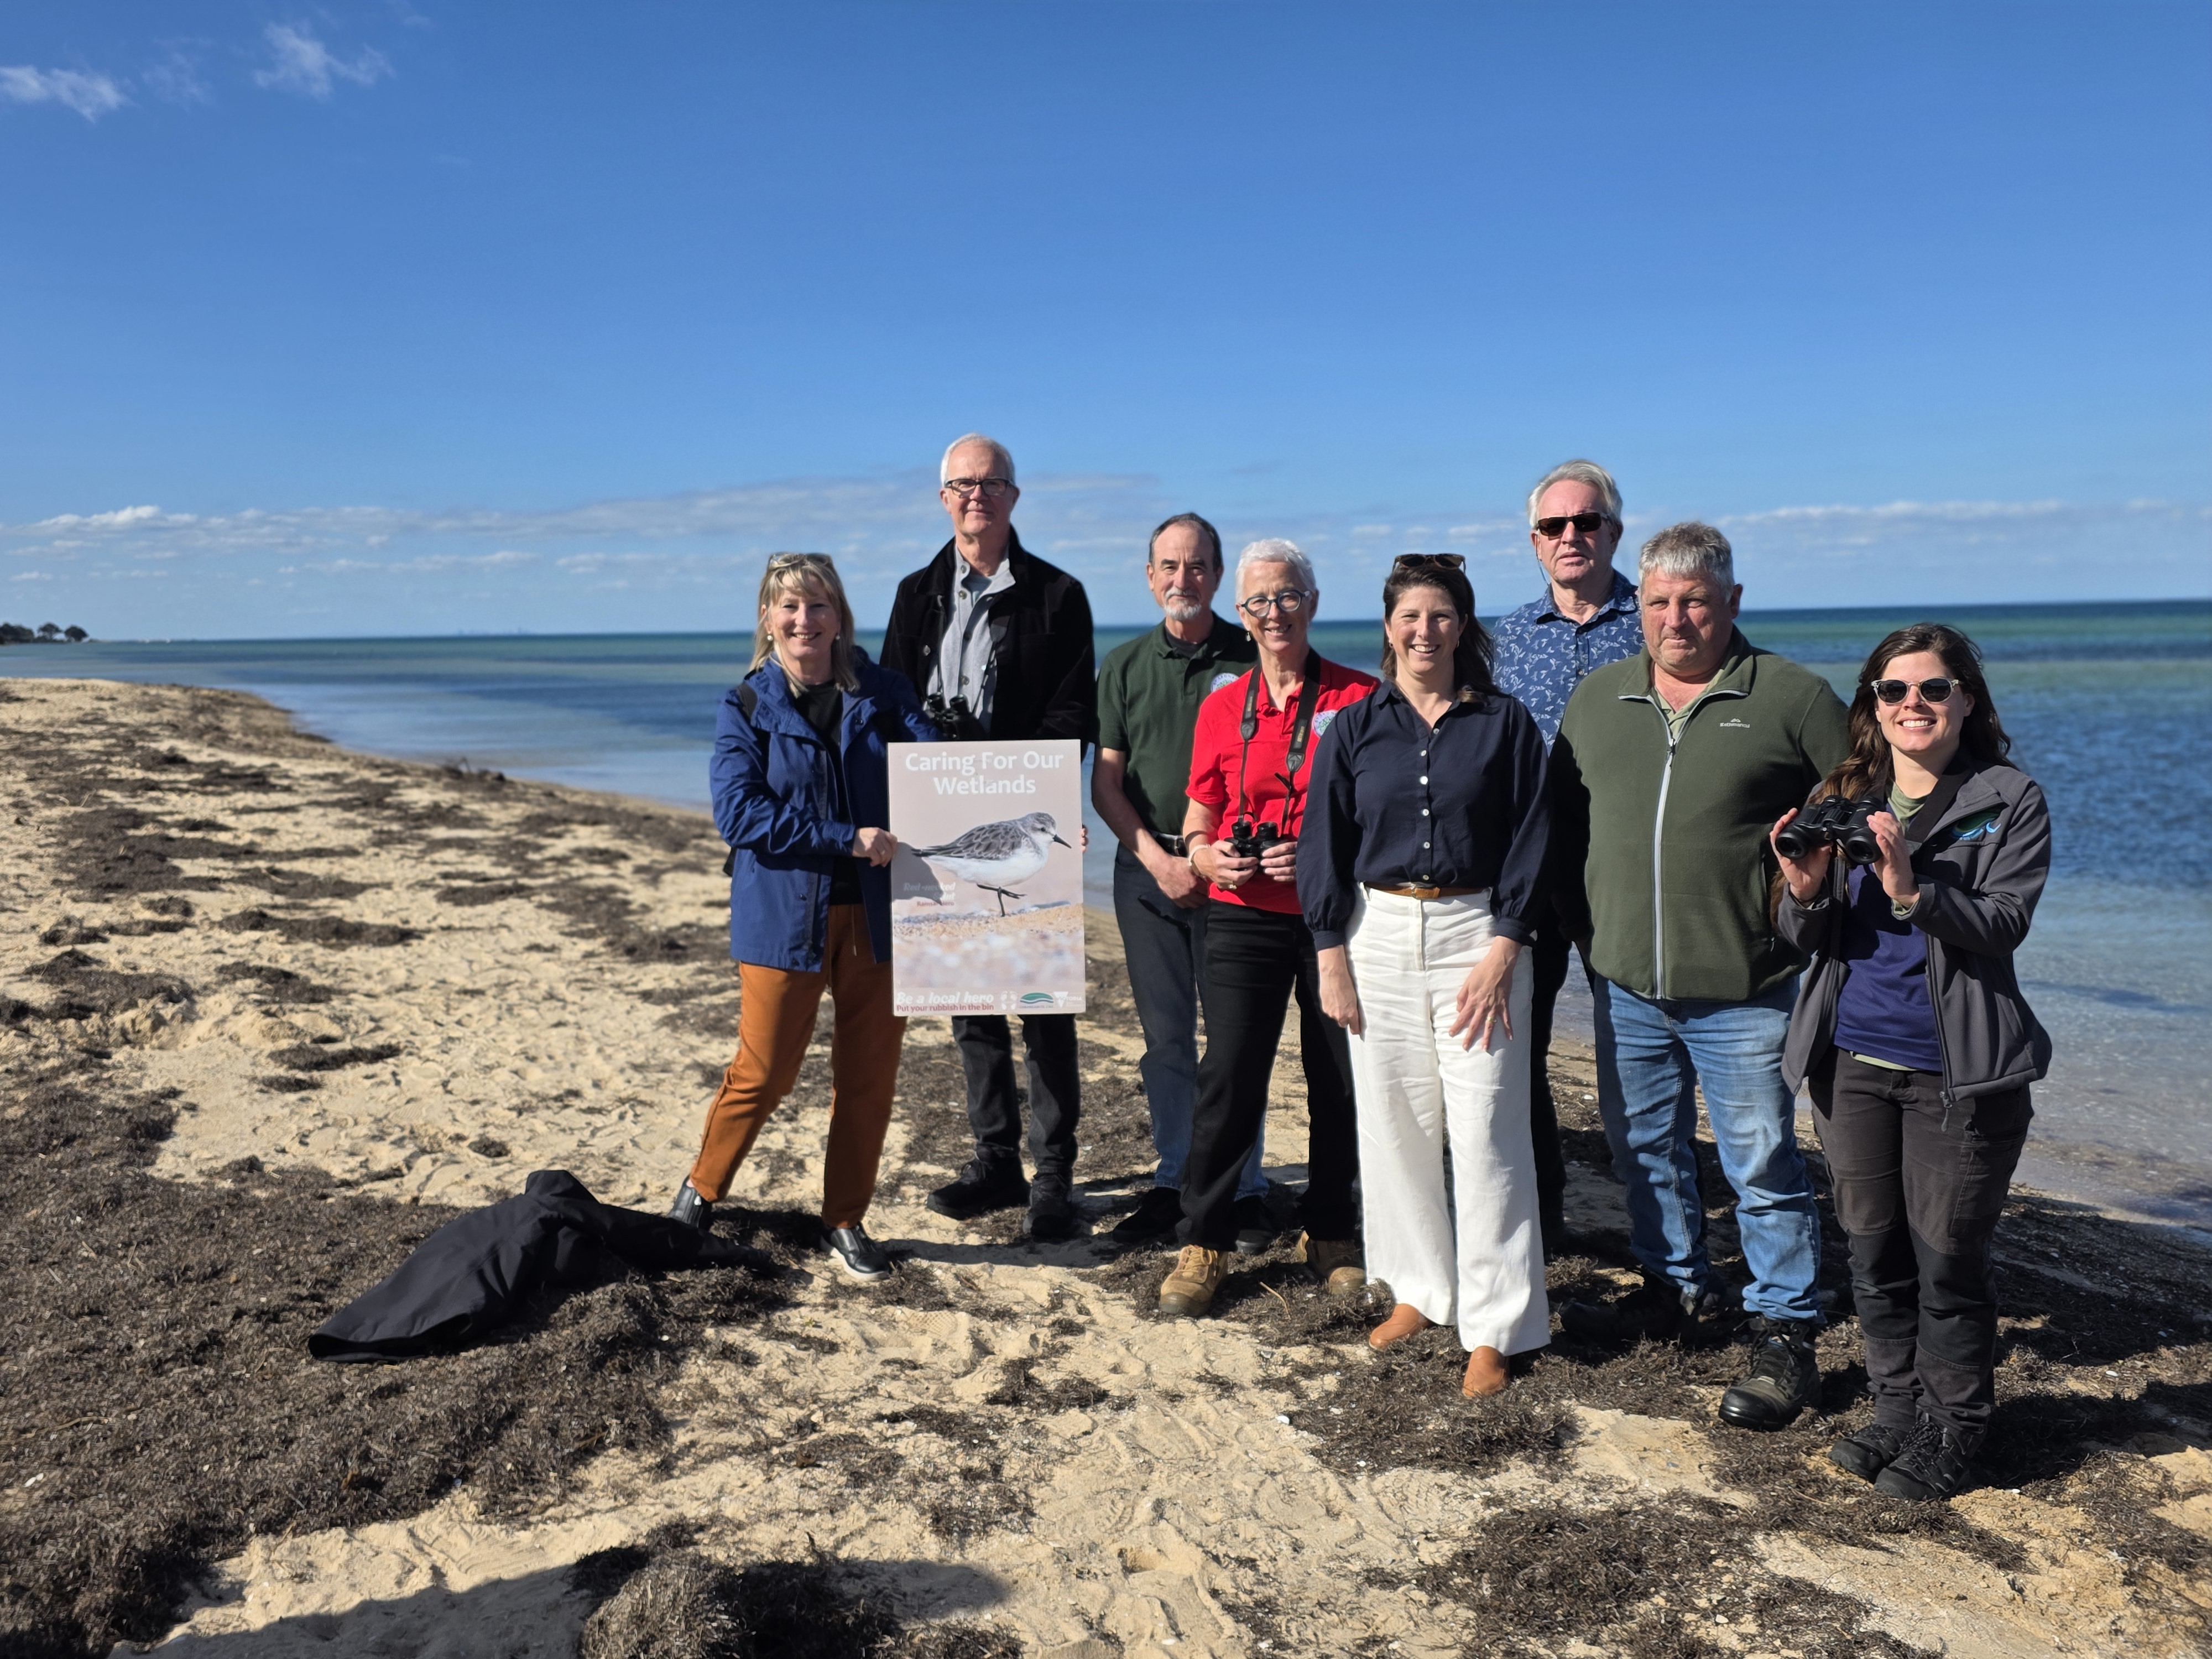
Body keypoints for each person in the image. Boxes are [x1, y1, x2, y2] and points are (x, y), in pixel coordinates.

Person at [1547, 522, 1850, 1431]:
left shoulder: (1793, 698)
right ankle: (1677, 1289)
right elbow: (1565, 834)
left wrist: (1807, 908)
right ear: (1636, 606)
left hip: (1747, 986)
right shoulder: (1599, 699)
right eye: (1659, 603)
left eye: (1696, 602)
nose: (1677, 620)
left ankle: (1787, 1326)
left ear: (1732, 604)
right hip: (1626, 981)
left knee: (1762, 1160)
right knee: (1644, 1147)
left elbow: (1858, 813)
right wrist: (1585, 932)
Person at [1772, 624, 2051, 1500]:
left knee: (1947, 1262)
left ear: (1967, 698)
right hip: (1852, 1060)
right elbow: (1800, 938)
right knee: (1873, 1251)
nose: (1913, 706)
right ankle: (1898, 1412)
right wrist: (1804, 889)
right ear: (1874, 706)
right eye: (1894, 691)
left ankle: (1955, 1427)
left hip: (1957, 1070)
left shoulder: (2006, 797)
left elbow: (2005, 922)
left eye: (1934, 689)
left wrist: (1912, 891)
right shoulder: (1847, 791)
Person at [1303, 554, 1553, 1397]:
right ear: (1387, 627)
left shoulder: (1505, 724)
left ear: (1463, 628)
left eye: (1441, 617)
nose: (1424, 631)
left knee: (1486, 1131)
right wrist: (1330, 951)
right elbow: (1323, 845)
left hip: (1474, 934)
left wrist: (1506, 941)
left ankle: (1496, 1326)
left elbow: (1533, 835)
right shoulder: (1353, 727)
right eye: (1409, 616)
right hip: (1375, 935)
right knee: (1395, 1122)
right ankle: (1419, 1290)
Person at [667, 554, 941, 1281]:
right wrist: (844, 837)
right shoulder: (747, 705)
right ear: (767, 618)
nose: (804, 620)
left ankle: (845, 1217)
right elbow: (739, 814)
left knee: (869, 1077)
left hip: (879, 922)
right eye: (789, 606)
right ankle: (699, 1192)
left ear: (840, 618)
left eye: (818, 606)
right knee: (763, 1072)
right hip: (781, 920)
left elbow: (941, 775)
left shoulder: (885, 693)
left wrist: (1030, 824)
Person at [879, 434, 1098, 1240]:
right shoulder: (915, 594)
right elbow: (890, 702)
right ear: (943, 498)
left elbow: (1074, 711)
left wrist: (1030, 787)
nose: (977, 496)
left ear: (1014, 496)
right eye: (963, 485)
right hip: (942, 810)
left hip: (1018, 809)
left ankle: (1056, 1175)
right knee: (969, 994)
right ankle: (995, 1161)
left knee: (1041, 997)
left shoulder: (1059, 595)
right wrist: (921, 780)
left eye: (992, 483)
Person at [1156, 539, 1379, 1318]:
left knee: (1337, 1079)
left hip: (1333, 923)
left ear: (1312, 603)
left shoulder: (1358, 699)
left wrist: (1322, 854)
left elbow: (1376, 816)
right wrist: (1207, 857)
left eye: (1287, 597)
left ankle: (1331, 1232)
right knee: (1230, 1078)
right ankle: (1206, 1238)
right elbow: (1200, 813)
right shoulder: (1224, 705)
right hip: (1243, 915)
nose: (1273, 613)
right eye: (1257, 602)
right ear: (1240, 615)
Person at [1092, 513, 1272, 1249]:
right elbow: (1106, 786)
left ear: (1219, 576)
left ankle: (1248, 1188)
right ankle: (1173, 1180)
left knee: (1236, 1041)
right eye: (1168, 567)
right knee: (1166, 1040)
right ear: (1149, 577)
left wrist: (1214, 859)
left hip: (1235, 875)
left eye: (1197, 567)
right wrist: (1163, 862)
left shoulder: (1255, 654)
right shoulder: (1124, 665)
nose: (1182, 580)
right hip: (1146, 877)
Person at [1491, 460, 1644, 1248]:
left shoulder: (1662, 624)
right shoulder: (1504, 638)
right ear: (1534, 542)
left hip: (1629, 878)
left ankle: (1660, 1237)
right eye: (1555, 526)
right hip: (1528, 875)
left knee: (1641, 1060)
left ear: (1615, 533)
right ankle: (1541, 1221)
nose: (1571, 537)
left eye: (1587, 523)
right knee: (1521, 1053)